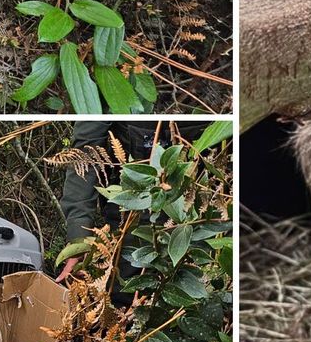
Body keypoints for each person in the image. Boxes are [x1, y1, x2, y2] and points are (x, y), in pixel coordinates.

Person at [56, 122, 210, 289]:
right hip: (131, 219)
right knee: (124, 293)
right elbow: (84, 156)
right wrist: (79, 237)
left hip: (203, 216)